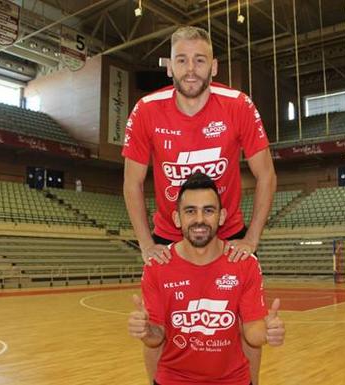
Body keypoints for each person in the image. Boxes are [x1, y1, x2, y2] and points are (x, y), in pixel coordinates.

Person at [122, 25, 277, 384]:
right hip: (167, 234)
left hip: (230, 231)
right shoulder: (147, 109)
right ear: (169, 67)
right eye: (182, 60)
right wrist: (147, 245)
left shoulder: (238, 105)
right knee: (155, 323)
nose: (191, 69)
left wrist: (251, 240)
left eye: (199, 60)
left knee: (246, 321)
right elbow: (132, 182)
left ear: (214, 66)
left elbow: (266, 175)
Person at [128, 173, 285, 385]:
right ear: (177, 218)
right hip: (174, 380)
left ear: (221, 217)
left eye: (208, 210)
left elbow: (252, 332)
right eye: (190, 211)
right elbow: (156, 337)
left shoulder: (244, 263)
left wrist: (268, 331)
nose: (199, 219)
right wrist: (146, 330)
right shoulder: (158, 266)